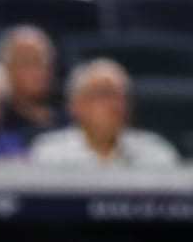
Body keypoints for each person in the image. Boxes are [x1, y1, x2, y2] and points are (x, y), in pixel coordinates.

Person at [30, 59, 181, 169]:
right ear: (75, 105)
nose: (116, 104)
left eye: (121, 96)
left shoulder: (157, 153)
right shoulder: (48, 155)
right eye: (105, 94)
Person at [0, 25, 65, 143]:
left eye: (42, 61)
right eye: (27, 61)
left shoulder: (68, 114)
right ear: (6, 68)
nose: (37, 71)